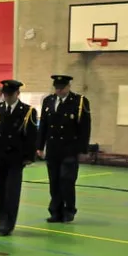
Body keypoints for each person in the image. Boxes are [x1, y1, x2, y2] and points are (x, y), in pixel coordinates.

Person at [36, 74, 91, 223]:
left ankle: (69, 209)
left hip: (70, 149)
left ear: (68, 87)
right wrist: (39, 146)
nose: (59, 90)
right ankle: (55, 211)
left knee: (67, 180)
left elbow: (85, 128)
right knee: (54, 182)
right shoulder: (48, 101)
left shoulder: (79, 102)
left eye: (62, 88)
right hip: (53, 148)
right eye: (57, 88)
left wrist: (83, 150)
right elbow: (44, 125)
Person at [0, 80, 38, 236]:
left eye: (10, 94)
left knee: (12, 191)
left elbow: (31, 135)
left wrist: (30, 156)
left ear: (17, 93)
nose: (7, 97)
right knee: (1, 191)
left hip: (16, 157)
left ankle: (9, 223)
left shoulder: (27, 111)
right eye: (5, 94)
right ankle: (1, 221)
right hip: (0, 156)